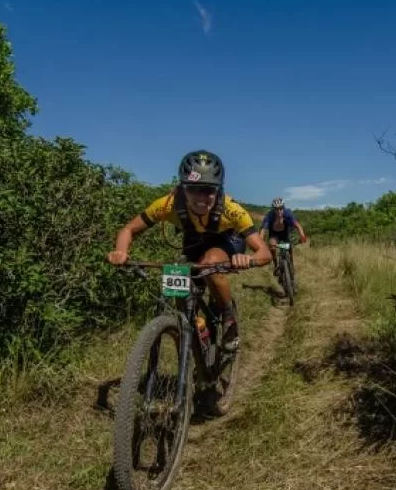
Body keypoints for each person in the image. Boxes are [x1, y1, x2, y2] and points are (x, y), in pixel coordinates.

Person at [107, 150, 272, 353]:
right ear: (183, 188)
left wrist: (248, 259)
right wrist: (120, 251)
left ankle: (229, 318)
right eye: (194, 189)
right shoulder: (167, 205)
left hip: (227, 241)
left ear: (219, 190)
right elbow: (129, 229)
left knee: (210, 263)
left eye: (209, 190)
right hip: (194, 241)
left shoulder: (232, 210)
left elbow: (264, 252)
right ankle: (193, 332)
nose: (202, 197)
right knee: (178, 278)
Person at [259, 196, 307, 274]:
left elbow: (298, 225)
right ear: (273, 209)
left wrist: (302, 236)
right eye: (276, 209)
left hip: (285, 233)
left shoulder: (288, 213)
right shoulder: (270, 215)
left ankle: (291, 265)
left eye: (281, 208)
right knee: (273, 247)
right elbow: (263, 230)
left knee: (289, 247)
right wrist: (261, 242)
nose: (279, 211)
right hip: (274, 234)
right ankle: (276, 265)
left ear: (283, 207)